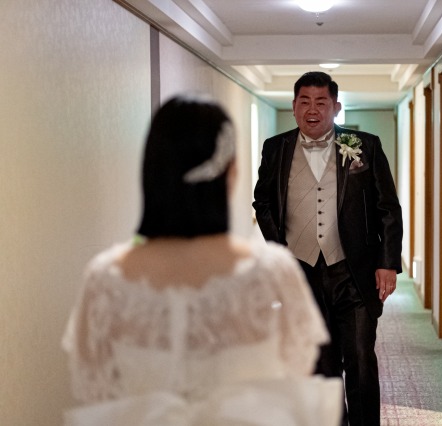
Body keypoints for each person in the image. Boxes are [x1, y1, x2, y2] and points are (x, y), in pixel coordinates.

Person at [62, 94, 342, 426]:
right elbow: (296, 384)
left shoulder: (104, 278)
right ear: (231, 171)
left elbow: (96, 393)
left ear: (151, 171)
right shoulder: (272, 271)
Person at [253, 72, 403, 425]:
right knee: (321, 363)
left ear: (335, 107)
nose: (312, 110)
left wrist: (387, 262)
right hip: (302, 271)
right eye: (304, 102)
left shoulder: (364, 145)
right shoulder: (276, 148)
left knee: (360, 358)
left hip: (354, 270)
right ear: (294, 107)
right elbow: (263, 203)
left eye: (321, 102)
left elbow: (387, 208)